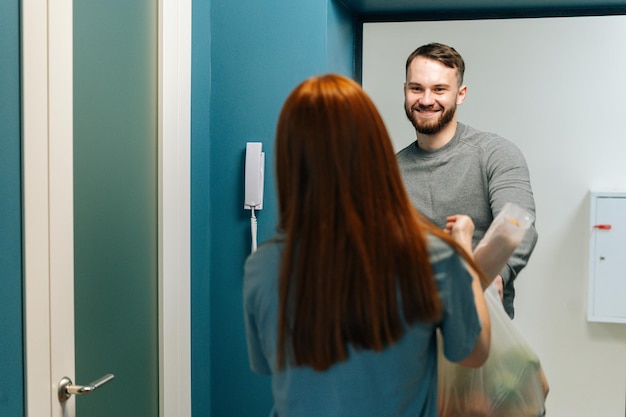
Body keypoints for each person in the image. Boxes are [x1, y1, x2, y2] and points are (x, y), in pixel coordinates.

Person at [243, 73, 490, 417]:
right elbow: (472, 353)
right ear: (374, 150)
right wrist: (463, 250)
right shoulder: (430, 256)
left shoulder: (263, 265)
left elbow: (269, 366)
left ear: (290, 160)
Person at [397, 42, 538, 318]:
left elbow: (518, 224)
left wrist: (496, 275)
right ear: (405, 91)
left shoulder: (495, 154)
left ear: (460, 94)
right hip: (412, 330)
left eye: (439, 89)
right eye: (416, 88)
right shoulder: (389, 172)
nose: (426, 100)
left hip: (482, 324)